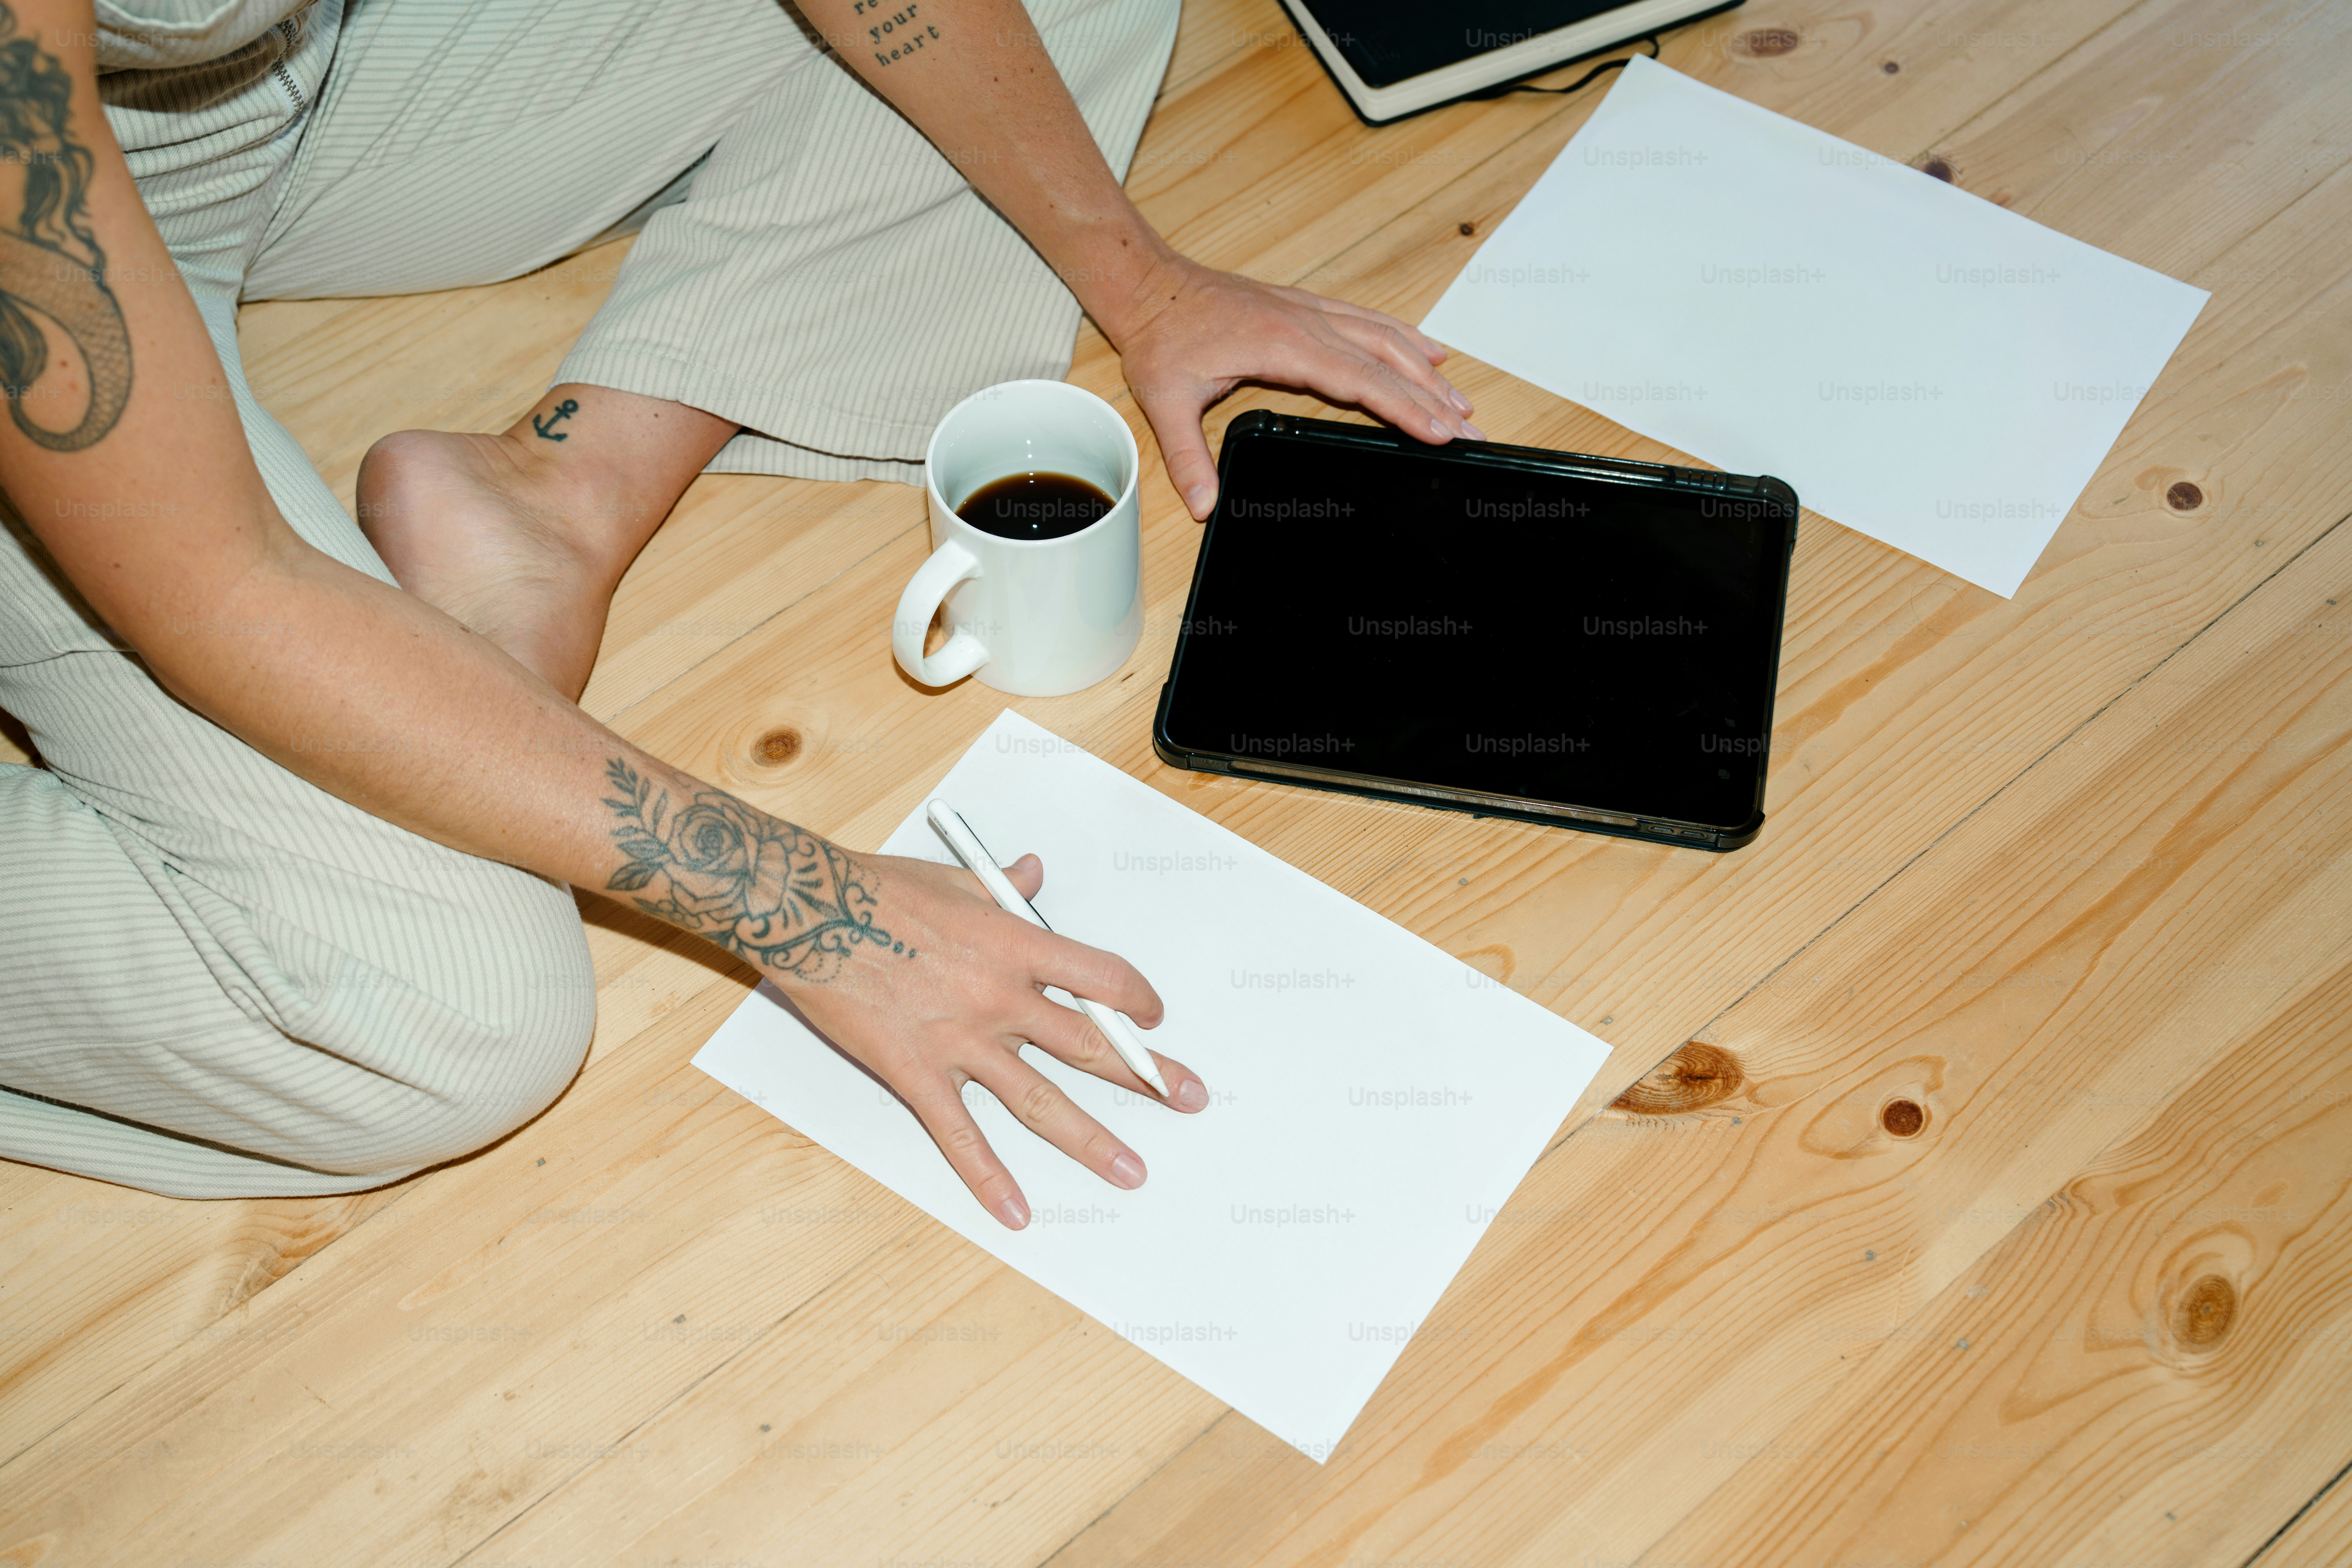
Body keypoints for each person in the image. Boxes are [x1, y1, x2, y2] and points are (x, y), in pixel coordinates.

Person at [0, 0, 1480, 1222]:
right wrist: (819, 916)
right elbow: (221, 583)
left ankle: (554, 507)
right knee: (439, 1020)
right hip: (34, 192)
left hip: (266, 94)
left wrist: (1147, 289)